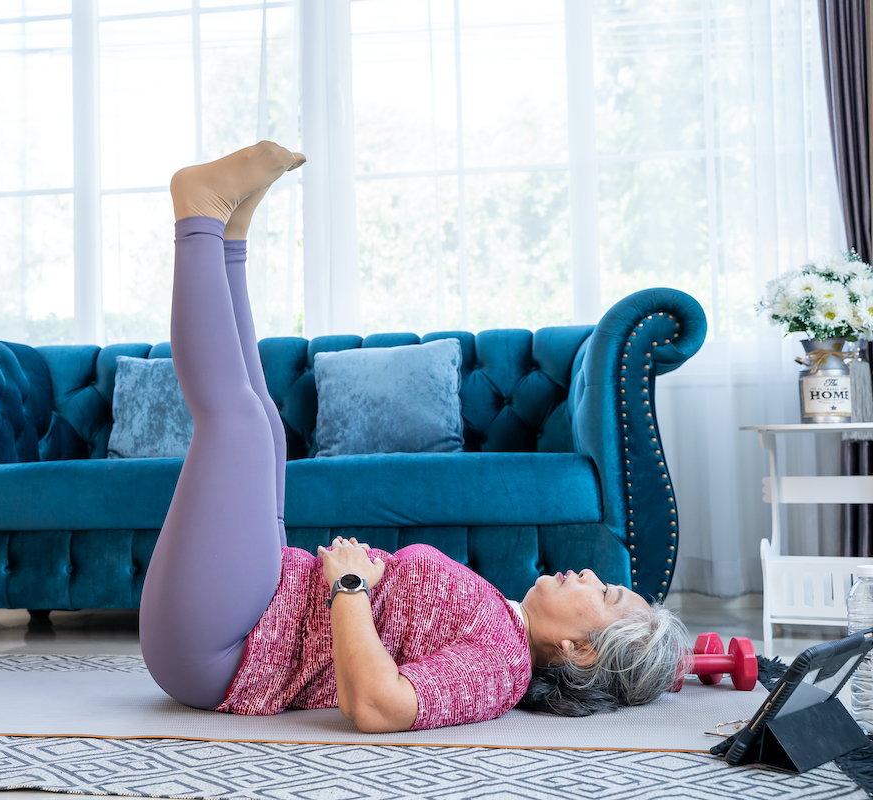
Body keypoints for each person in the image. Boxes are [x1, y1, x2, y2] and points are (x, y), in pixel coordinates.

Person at [138, 141, 691, 733]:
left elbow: (380, 706)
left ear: (582, 651)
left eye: (605, 595)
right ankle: (228, 241)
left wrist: (349, 587)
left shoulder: (501, 670)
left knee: (241, 428)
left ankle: (198, 215)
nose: (589, 576)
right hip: (256, 602)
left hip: (227, 650)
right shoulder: (502, 624)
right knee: (266, 429)